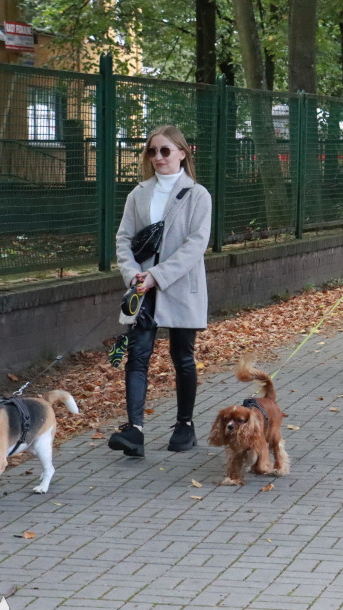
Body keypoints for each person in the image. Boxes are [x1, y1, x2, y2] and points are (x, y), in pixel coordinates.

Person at [108, 125, 212, 457]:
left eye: (165, 150)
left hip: (180, 286)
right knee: (137, 356)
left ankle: (185, 425)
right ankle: (134, 430)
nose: (158, 157)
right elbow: (124, 238)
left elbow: (195, 245)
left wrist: (157, 275)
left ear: (183, 152)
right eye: (152, 151)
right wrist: (132, 274)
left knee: (182, 356)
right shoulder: (138, 193)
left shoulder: (198, 195)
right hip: (142, 287)